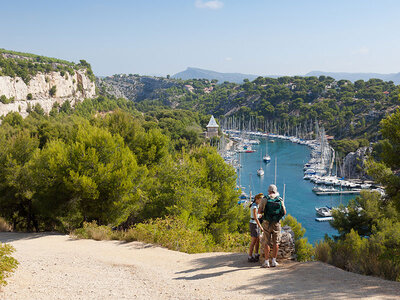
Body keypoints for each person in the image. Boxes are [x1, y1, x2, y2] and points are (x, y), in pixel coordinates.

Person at [257, 184, 286, 268]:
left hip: (267, 223)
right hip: (276, 223)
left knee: (267, 242)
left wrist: (265, 213)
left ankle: (266, 262)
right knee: (276, 242)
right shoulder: (280, 199)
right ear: (275, 191)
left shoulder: (265, 199)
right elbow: (284, 212)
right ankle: (274, 261)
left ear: (269, 191)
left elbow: (259, 211)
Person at [248, 193, 263, 262]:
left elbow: (256, 216)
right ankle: (250, 256)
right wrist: (261, 227)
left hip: (255, 223)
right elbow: (255, 218)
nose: (261, 200)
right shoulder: (254, 207)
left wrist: (259, 215)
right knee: (253, 241)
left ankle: (256, 254)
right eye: (260, 199)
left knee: (257, 240)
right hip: (254, 224)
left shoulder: (257, 205)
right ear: (256, 199)